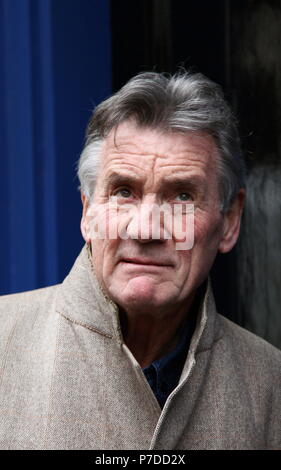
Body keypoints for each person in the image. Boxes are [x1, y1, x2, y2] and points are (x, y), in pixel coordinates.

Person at [0, 71, 280, 450]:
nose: (146, 229)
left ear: (229, 221)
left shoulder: (271, 383)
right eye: (124, 191)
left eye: (182, 196)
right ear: (88, 213)